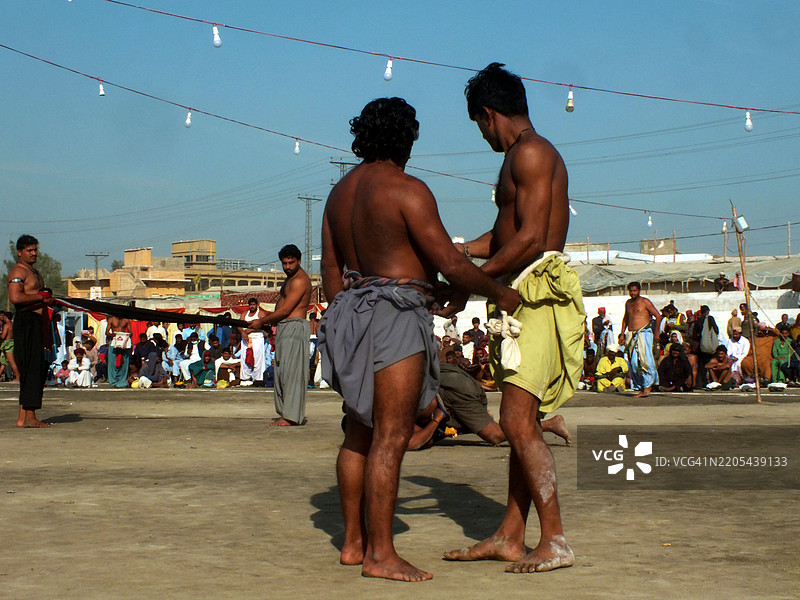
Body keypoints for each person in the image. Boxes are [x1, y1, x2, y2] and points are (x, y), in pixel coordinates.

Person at [318, 96, 521, 581]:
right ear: (406, 138)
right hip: (395, 313)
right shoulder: (408, 189)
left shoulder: (338, 194)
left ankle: (352, 543)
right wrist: (498, 293)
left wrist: (347, 314)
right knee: (391, 433)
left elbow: (329, 270)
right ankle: (381, 555)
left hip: (348, 309)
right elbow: (449, 263)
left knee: (358, 430)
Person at [443, 63, 584, 574]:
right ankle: (510, 534)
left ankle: (555, 540)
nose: (480, 134)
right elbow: (502, 238)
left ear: (487, 113)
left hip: (537, 294)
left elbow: (528, 239)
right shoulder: (522, 155)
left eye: (477, 124)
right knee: (517, 418)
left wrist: (464, 281)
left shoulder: (530, 151)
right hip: (521, 292)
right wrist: (456, 255)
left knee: (517, 420)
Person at [247, 245, 313, 426]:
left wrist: (262, 321)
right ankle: (286, 412)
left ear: (299, 261)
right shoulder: (289, 280)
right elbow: (281, 309)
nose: (288, 266)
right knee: (282, 372)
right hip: (284, 327)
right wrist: (270, 324)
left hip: (294, 327)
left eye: (291, 262)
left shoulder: (300, 280)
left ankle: (291, 416)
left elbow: (286, 309)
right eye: (284, 263)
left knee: (292, 373)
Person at [8, 234, 55, 427]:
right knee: (32, 367)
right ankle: (29, 417)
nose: (34, 253)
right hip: (27, 322)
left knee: (36, 367)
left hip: (38, 321)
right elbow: (16, 298)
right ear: (20, 253)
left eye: (35, 249)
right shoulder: (18, 271)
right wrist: (40, 298)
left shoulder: (32, 272)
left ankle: (24, 417)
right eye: (30, 250)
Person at [621, 282, 662, 398]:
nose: (633, 293)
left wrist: (656, 333)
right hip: (632, 335)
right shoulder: (628, 303)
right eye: (631, 291)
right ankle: (642, 386)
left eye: (635, 291)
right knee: (633, 363)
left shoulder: (645, 302)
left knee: (645, 361)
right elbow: (626, 318)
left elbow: (658, 316)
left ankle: (648, 386)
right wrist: (622, 333)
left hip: (644, 334)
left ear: (639, 290)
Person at [240, 299, 268, 385]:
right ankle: (246, 378)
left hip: (257, 338)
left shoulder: (261, 314)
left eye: (253, 304)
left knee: (257, 358)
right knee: (245, 358)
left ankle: (258, 379)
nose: (252, 306)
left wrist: (250, 330)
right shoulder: (244, 314)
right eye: (250, 305)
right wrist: (243, 332)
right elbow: (238, 325)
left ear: (257, 305)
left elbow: (264, 325)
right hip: (246, 339)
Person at [692, 305, 719, 387]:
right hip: (711, 346)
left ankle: (700, 383)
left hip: (701, 347)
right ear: (707, 311)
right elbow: (716, 330)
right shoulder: (710, 319)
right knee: (711, 364)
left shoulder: (698, 321)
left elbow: (694, 335)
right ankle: (712, 381)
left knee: (701, 366)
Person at [106, 314, 132, 388]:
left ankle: (122, 381)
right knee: (112, 361)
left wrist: (126, 336)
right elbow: (107, 332)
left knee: (124, 361)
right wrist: (112, 335)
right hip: (114, 340)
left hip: (124, 341)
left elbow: (131, 332)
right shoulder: (111, 319)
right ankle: (113, 381)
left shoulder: (126, 320)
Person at [0, 311, 20, 382]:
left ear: (6, 317)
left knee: (11, 361)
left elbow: (3, 336)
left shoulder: (6, 325)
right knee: (3, 361)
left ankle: (18, 377)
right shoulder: (12, 324)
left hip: (8, 344)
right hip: (11, 342)